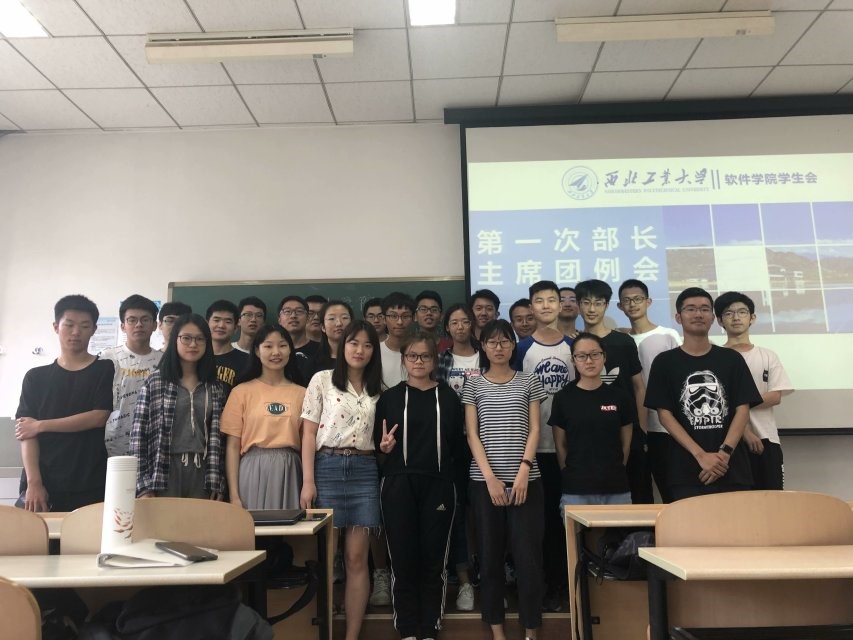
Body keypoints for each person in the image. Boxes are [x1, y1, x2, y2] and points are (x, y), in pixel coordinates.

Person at [373, 333, 466, 640]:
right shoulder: (389, 398)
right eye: (412, 356)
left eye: (425, 356)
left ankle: (429, 628)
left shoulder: (449, 398)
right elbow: (378, 446)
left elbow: (457, 445)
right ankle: (407, 629)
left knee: (434, 559)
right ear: (403, 360)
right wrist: (384, 450)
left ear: (434, 360)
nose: (418, 361)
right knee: (402, 559)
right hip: (398, 484)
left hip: (439, 484)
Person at [463, 319, 547, 640]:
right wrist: (491, 479)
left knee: (529, 560)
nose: (498, 348)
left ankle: (531, 631)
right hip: (485, 484)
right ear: (483, 347)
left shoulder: (529, 381)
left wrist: (523, 470)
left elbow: (535, 429)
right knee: (490, 558)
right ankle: (497, 632)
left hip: (527, 482)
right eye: (492, 342)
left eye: (505, 341)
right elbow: (472, 434)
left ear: (514, 345)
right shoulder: (474, 384)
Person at [300, 321, 383, 640]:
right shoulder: (321, 380)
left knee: (356, 558)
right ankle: (323, 632)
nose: (360, 350)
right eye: (353, 343)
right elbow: (308, 434)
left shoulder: (379, 388)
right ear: (342, 345)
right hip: (327, 468)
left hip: (364, 470)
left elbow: (381, 437)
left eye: (367, 344)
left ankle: (351, 636)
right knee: (326, 557)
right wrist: (308, 481)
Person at [645, 288, 762, 501]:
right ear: (678, 317)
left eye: (705, 309)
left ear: (713, 317)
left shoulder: (732, 359)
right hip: (685, 471)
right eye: (691, 309)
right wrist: (700, 455)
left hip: (732, 468)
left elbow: (742, 409)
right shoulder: (664, 362)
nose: (698, 314)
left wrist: (724, 454)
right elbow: (665, 415)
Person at [15, 294, 114, 512]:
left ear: (94, 330)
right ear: (56, 327)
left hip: (90, 480)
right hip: (44, 482)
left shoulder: (104, 369)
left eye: (84, 326)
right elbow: (26, 433)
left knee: (89, 534)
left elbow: (98, 416)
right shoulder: (35, 377)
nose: (76, 332)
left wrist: (40, 425)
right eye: (69, 325)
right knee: (39, 535)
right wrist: (34, 483)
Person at [514, 280, 573, 612]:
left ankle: (567, 585)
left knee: (565, 523)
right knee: (539, 524)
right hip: (534, 451)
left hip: (569, 451)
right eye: (540, 300)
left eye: (552, 300)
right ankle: (545, 587)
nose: (547, 306)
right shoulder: (521, 349)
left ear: (560, 305)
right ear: (531, 307)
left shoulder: (575, 347)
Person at [130, 313, 225, 499]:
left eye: (200, 339)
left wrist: (218, 480)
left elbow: (221, 439)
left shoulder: (214, 386)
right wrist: (143, 485)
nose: (193, 344)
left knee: (200, 519)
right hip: (164, 468)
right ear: (175, 340)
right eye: (186, 338)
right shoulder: (156, 382)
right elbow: (138, 436)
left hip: (203, 470)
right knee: (165, 519)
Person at [575, 279, 653, 504]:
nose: (592, 309)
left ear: (607, 306)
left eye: (598, 303)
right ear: (579, 305)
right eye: (586, 302)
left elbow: (638, 387)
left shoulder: (623, 342)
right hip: (590, 434)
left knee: (637, 495)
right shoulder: (575, 344)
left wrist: (641, 430)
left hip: (627, 430)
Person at [222, 324, 306, 509]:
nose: (276, 352)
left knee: (290, 525)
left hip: (291, 470)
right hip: (252, 469)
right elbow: (233, 446)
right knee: (253, 526)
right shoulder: (241, 392)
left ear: (290, 350)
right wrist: (234, 495)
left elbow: (307, 442)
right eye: (268, 346)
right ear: (257, 351)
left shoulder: (303, 393)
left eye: (282, 345)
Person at [714, 291, 793, 490]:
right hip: (726, 442)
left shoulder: (767, 355)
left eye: (742, 312)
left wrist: (739, 407)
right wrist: (744, 432)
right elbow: (717, 403)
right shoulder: (715, 357)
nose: (736, 317)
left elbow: (775, 396)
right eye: (729, 313)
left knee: (772, 499)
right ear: (720, 321)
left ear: (753, 318)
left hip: (766, 437)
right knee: (736, 501)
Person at [616, 279, 681, 503]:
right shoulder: (620, 340)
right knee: (640, 493)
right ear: (619, 306)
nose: (632, 304)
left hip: (666, 428)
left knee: (672, 490)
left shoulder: (668, 335)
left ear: (648, 302)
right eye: (627, 300)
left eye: (638, 299)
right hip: (635, 428)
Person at [550, 332, 633, 507]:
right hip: (576, 489)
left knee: (619, 527)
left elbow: (626, 442)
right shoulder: (563, 398)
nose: (589, 361)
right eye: (581, 356)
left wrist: (617, 470)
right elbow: (560, 445)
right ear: (573, 360)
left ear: (604, 357)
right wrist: (569, 474)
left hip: (616, 487)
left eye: (595, 354)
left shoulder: (620, 397)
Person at [435, 302, 480, 612]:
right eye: (455, 322)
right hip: (453, 446)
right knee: (458, 511)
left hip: (488, 444)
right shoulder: (442, 360)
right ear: (447, 327)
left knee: (486, 511)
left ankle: (488, 574)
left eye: (465, 321)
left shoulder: (486, 355)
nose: (461, 326)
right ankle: (463, 578)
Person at [100, 294, 162, 457]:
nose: (139, 325)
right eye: (132, 320)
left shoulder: (163, 361)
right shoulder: (108, 357)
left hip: (152, 440)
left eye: (145, 319)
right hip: (111, 442)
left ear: (155, 325)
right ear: (123, 326)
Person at [206, 299, 248, 395]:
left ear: (236, 328)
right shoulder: (196, 358)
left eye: (228, 321)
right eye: (216, 320)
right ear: (207, 324)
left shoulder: (247, 362)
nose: (221, 325)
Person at [304, 300, 354, 379]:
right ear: (323, 327)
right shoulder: (312, 363)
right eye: (331, 318)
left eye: (344, 318)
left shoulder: (359, 358)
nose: (339, 323)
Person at [380, 292, 416, 389]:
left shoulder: (420, 352)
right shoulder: (375, 351)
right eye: (393, 316)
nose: (399, 322)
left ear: (413, 318)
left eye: (405, 316)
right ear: (384, 319)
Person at [277, 295, 319, 361]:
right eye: (287, 311)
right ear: (279, 320)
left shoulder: (321, 350)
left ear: (308, 318)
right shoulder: (273, 351)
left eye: (299, 311)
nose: (293, 316)